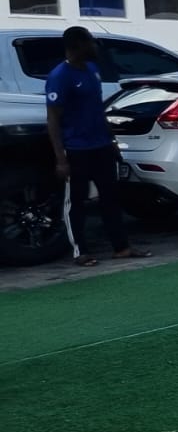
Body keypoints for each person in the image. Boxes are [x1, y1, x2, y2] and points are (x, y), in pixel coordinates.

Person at [44, 26, 150, 266]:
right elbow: (52, 119)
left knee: (111, 197)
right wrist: (61, 158)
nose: (94, 46)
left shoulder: (92, 70)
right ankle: (80, 251)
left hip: (101, 145)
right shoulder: (60, 76)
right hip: (76, 149)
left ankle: (121, 247)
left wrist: (111, 140)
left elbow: (97, 109)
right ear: (77, 45)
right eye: (90, 42)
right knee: (77, 201)